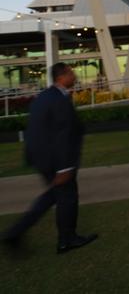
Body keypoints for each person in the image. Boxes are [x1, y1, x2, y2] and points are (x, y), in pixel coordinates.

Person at [1, 63, 97, 254]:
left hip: (42, 158)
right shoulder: (58, 99)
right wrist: (63, 168)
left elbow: (36, 130)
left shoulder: (45, 96)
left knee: (53, 196)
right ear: (62, 76)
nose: (75, 75)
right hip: (56, 161)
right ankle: (67, 239)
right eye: (71, 72)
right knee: (67, 197)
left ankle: (16, 233)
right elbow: (62, 135)